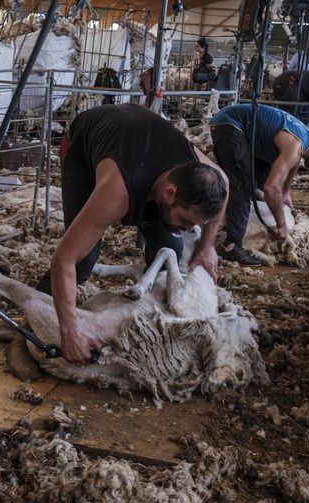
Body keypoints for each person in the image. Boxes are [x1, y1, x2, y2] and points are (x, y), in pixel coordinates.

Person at [32, 103, 228, 367]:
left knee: (170, 245)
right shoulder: (117, 193)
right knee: (82, 260)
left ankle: (148, 319)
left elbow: (225, 186)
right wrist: (69, 330)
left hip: (139, 143)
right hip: (84, 147)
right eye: (186, 221)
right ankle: (33, 319)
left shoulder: (205, 176)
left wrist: (207, 246)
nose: (188, 229)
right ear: (169, 193)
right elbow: (63, 258)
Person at [210, 103, 309, 265]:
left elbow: (294, 163)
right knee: (242, 185)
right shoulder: (295, 146)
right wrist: (281, 224)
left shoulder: (306, 140)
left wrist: (285, 191)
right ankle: (230, 245)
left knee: (261, 180)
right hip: (230, 125)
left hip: (243, 131)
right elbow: (271, 188)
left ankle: (238, 219)